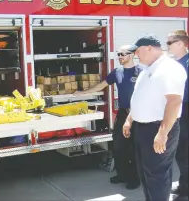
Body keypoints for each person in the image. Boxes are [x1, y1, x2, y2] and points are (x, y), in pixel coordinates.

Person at [123, 35, 187, 201]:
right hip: (141, 129)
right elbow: (140, 97)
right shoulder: (147, 70)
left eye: (138, 51)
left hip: (158, 128)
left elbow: (174, 102)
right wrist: (129, 119)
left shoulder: (169, 68)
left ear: (150, 47)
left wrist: (163, 133)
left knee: (157, 175)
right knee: (145, 173)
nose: (136, 55)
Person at [74, 45, 141, 190]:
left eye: (123, 54)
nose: (120, 56)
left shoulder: (141, 71)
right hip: (123, 113)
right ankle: (122, 174)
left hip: (138, 113)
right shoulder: (117, 72)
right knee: (118, 146)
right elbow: (101, 85)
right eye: (118, 54)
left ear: (132, 54)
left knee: (134, 148)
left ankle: (135, 178)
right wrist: (83, 93)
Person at [167, 30, 189, 197]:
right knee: (181, 151)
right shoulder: (175, 63)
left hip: (186, 109)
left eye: (170, 43)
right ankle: (184, 185)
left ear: (181, 43)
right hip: (180, 108)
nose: (167, 45)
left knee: (184, 151)